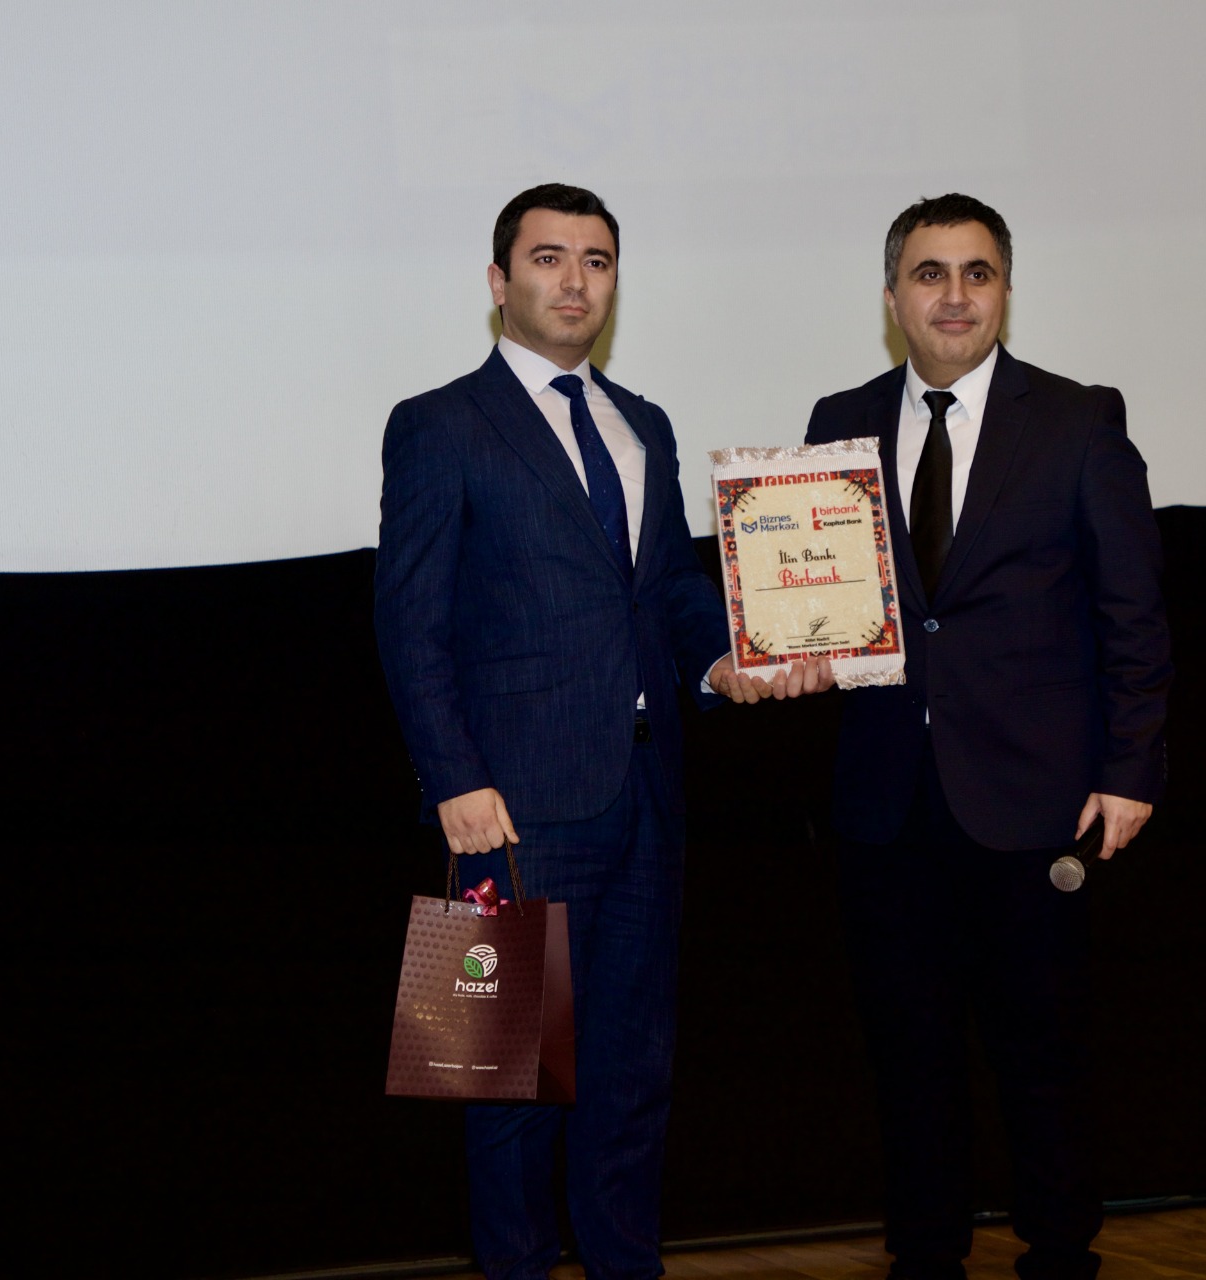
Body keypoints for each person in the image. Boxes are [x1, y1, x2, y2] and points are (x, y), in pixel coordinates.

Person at [375, 183, 829, 1280]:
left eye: (597, 260)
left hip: (646, 802)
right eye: (549, 257)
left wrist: (721, 663)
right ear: (499, 282)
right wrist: (452, 778)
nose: (575, 280)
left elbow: (665, 589)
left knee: (630, 1079)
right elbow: (407, 617)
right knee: (499, 1083)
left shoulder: (644, 423)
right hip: (504, 813)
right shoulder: (435, 422)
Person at [804, 194, 1172, 1280]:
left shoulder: (1077, 421)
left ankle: (1059, 1253)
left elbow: (1132, 611)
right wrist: (782, 646)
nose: (954, 295)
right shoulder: (837, 419)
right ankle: (925, 1256)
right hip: (885, 801)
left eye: (977, 272)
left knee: (1043, 1055)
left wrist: (1131, 766)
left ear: (1005, 289)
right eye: (930, 274)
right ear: (892, 296)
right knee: (907, 1054)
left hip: (1036, 801)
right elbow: (818, 596)